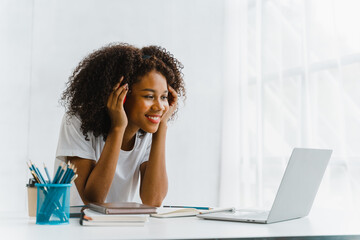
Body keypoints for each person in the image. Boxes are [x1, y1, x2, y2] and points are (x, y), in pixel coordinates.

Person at [55, 43, 186, 207]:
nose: (160, 107)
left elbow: (153, 200)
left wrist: (162, 127)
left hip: (121, 227)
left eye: (164, 97)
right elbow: (93, 200)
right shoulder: (76, 122)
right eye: (149, 96)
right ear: (121, 95)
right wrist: (118, 128)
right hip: (76, 227)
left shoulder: (147, 128)